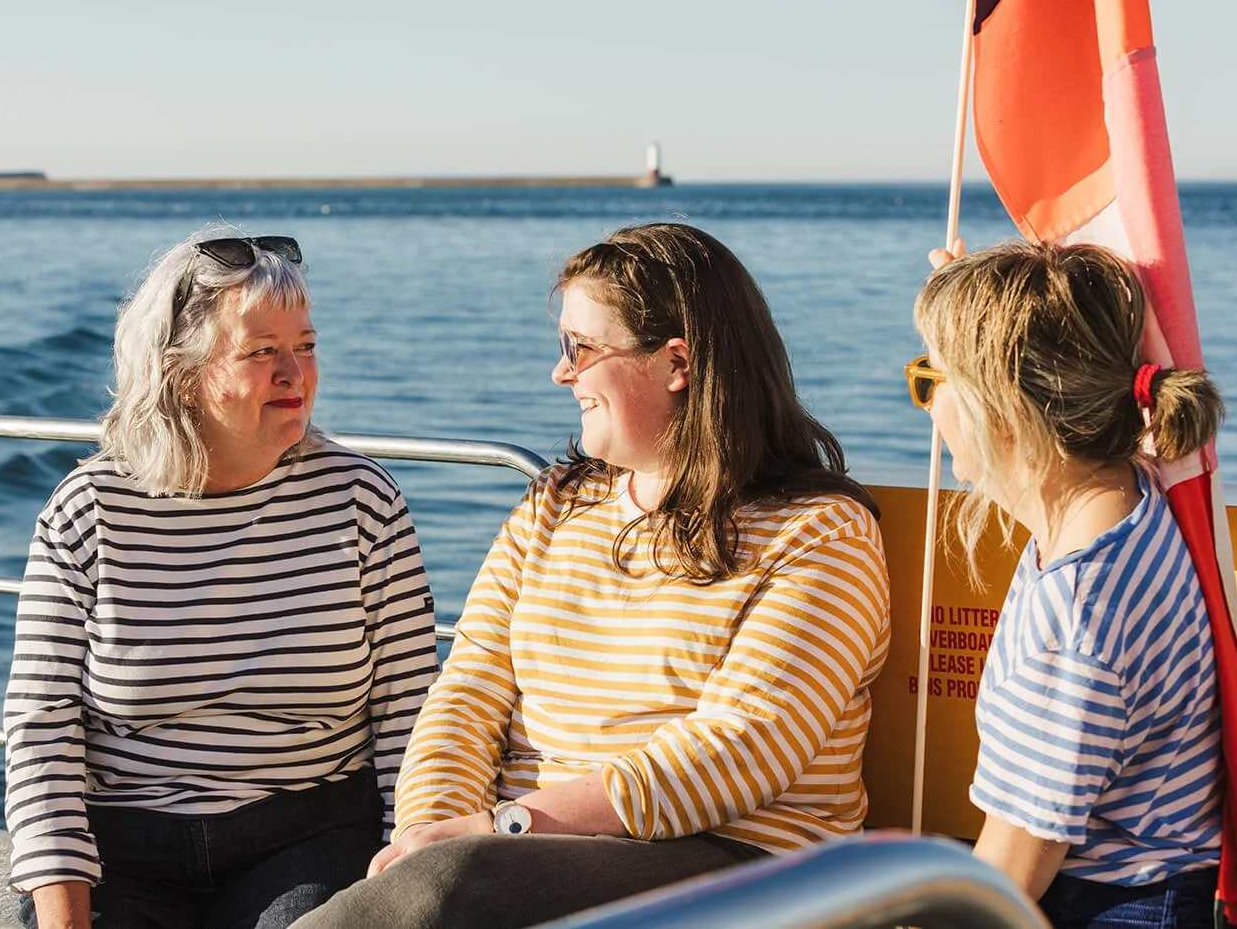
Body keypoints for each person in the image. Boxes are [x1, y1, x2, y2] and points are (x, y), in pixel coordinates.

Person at [295, 222, 891, 929]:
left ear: (677, 362)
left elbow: (740, 749)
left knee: (450, 886)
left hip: (736, 868)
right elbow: (468, 691)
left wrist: (502, 826)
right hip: (518, 856)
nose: (561, 372)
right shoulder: (554, 506)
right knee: (432, 879)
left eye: (580, 348)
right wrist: (428, 829)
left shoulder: (819, 534)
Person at [3, 233, 440, 929]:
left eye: (306, 344)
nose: (296, 371)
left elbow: (409, 719)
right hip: (124, 851)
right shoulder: (87, 513)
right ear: (182, 375)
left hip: (311, 839)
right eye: (262, 351)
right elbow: (41, 733)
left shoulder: (362, 501)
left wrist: (405, 872)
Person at [908, 239, 1224, 928]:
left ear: (1006, 414)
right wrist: (973, 299)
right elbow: (1054, 362)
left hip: (1105, 904)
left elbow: (1005, 882)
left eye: (932, 381)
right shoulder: (1130, 484)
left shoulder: (1073, 625)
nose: (929, 407)